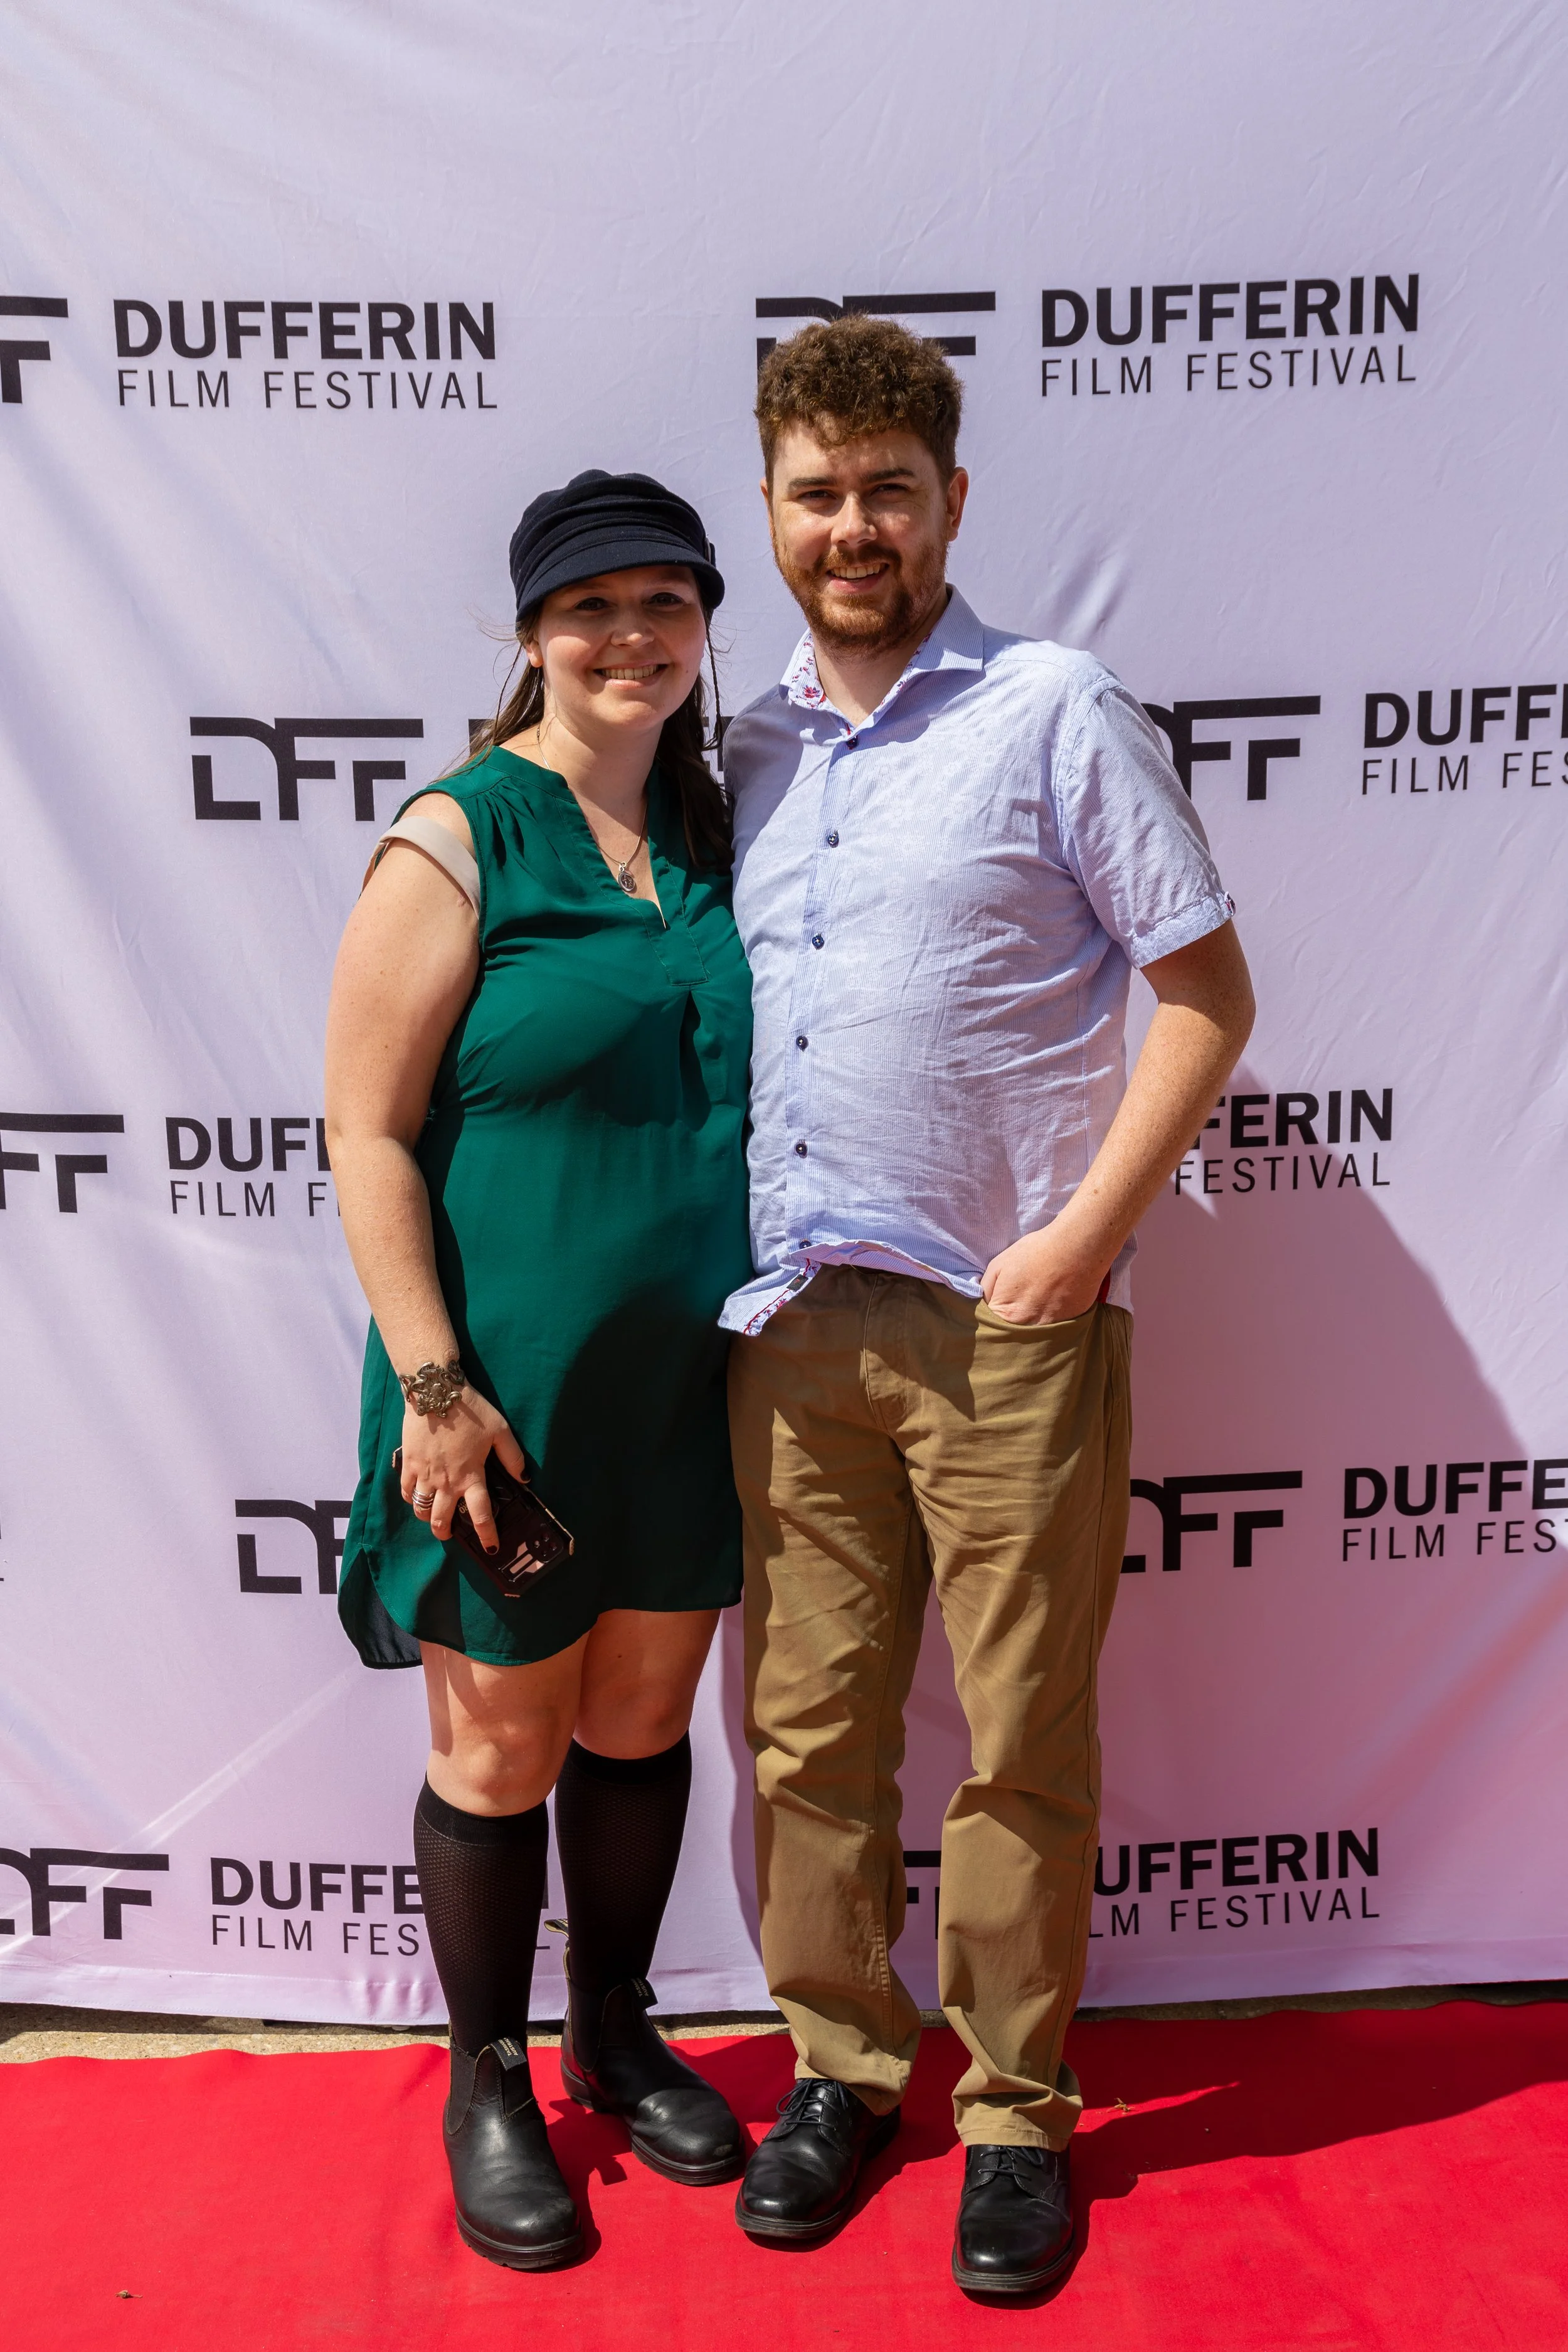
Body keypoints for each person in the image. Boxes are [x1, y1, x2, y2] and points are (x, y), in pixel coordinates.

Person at [720, 319, 1255, 2296]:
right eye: (813, 491)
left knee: (1018, 1736)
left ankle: (1015, 2108)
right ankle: (843, 2063)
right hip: (786, 1327)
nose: (848, 526)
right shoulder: (739, 744)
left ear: (950, 500)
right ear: (767, 506)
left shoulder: (1055, 708)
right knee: (806, 1735)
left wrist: (1080, 1241)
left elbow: (1205, 1000)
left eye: (884, 490)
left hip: (1006, 1327)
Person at [324, 470, 755, 2272]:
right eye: (592, 607)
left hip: (690, 1387)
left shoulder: (728, 831)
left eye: (666, 602)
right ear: (528, 633)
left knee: (641, 1724)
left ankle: (616, 2026)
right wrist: (435, 1384)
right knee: (500, 1745)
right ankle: (490, 2076)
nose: (631, 638)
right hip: (497, 1388)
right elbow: (364, 1126)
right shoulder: (459, 835)